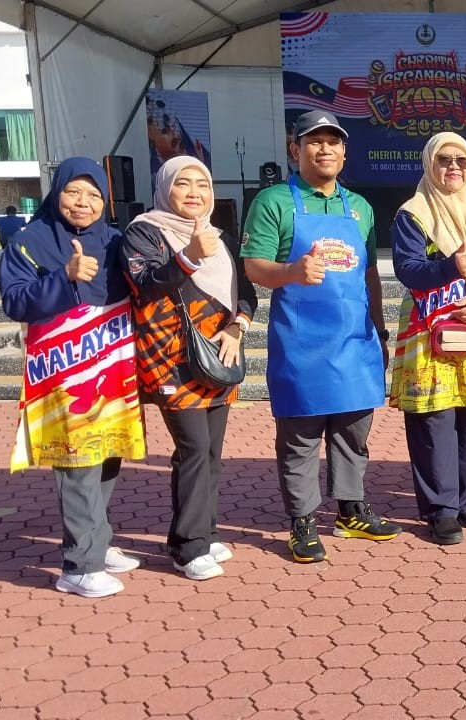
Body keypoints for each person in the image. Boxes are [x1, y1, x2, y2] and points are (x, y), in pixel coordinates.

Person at [241, 110, 400, 563]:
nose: (324, 149)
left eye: (333, 141)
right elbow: (253, 267)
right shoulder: (273, 201)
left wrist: (379, 330)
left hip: (354, 340)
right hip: (301, 343)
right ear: (295, 150)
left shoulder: (360, 207)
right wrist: (292, 271)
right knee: (301, 438)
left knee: (353, 431)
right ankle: (302, 521)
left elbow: (369, 274)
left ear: (344, 153)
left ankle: (351, 510)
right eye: (314, 141)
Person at [0, 157, 146, 598]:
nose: (83, 202)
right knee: (77, 461)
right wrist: (64, 277)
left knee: (108, 454)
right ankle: (79, 567)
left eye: (94, 195)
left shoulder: (116, 240)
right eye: (73, 192)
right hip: (63, 371)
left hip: (112, 365)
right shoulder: (29, 242)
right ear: (56, 191)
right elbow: (15, 302)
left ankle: (98, 540)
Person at [122, 156, 257, 580]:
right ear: (165, 188)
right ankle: (187, 547)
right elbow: (145, 285)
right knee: (194, 449)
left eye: (203, 184)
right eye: (183, 183)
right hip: (171, 360)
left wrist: (237, 327)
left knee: (211, 451)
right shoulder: (144, 232)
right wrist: (190, 257)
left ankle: (207, 532)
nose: (195, 192)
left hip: (217, 358)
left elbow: (246, 293)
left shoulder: (221, 236)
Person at [391, 132, 466, 545]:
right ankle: (440, 509)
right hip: (427, 333)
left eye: (463, 160)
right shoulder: (414, 214)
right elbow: (407, 268)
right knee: (434, 417)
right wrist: (450, 267)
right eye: (444, 159)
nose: (454, 167)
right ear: (430, 164)